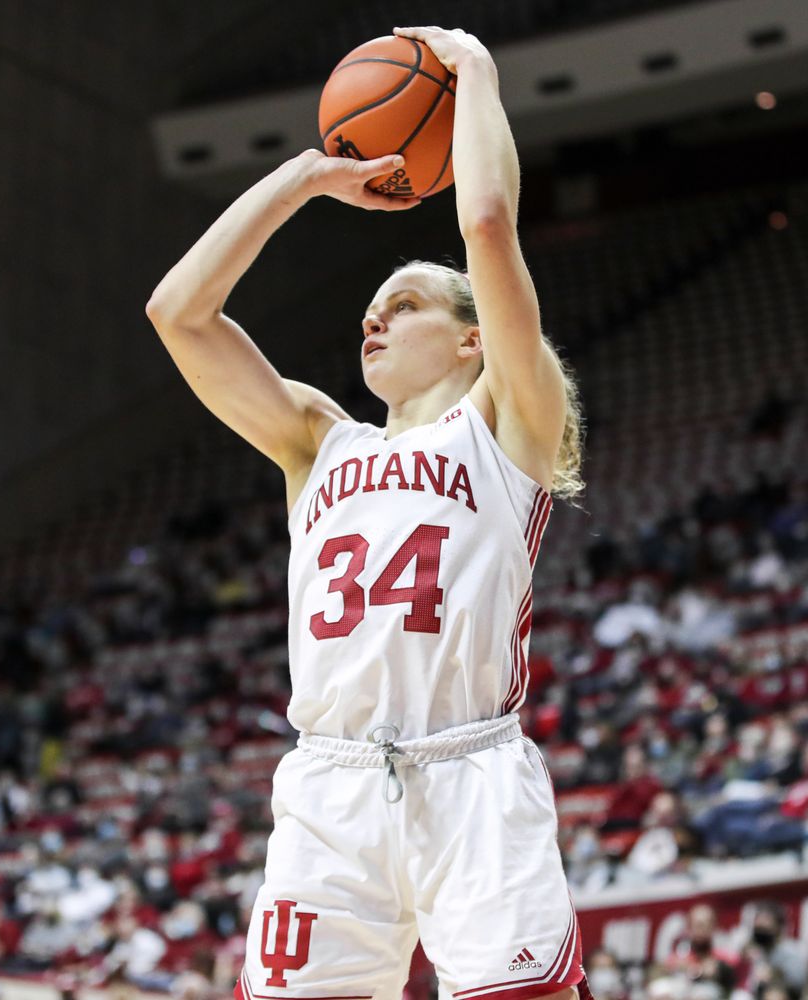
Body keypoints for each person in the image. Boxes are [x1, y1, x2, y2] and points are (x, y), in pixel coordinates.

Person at [145, 25, 587, 1000]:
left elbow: (485, 225)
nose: (372, 319)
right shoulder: (316, 437)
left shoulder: (507, 421)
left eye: (405, 303)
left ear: (472, 339)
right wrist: (301, 179)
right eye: (370, 312)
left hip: (469, 773)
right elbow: (179, 313)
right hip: (332, 786)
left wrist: (472, 71)